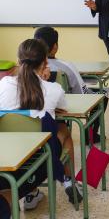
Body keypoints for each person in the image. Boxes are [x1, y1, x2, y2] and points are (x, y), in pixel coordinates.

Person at [0, 39, 83, 210]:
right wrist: (44, 82)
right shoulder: (53, 89)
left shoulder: (3, 84)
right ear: (46, 63)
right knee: (63, 131)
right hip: (40, 157)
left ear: (18, 61)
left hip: (7, 154)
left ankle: (32, 193)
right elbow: (63, 108)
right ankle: (69, 181)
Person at [34, 26, 106, 143]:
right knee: (102, 94)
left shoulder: (27, 67)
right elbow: (81, 92)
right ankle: (90, 135)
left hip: (37, 111)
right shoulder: (65, 66)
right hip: (63, 106)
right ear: (55, 47)